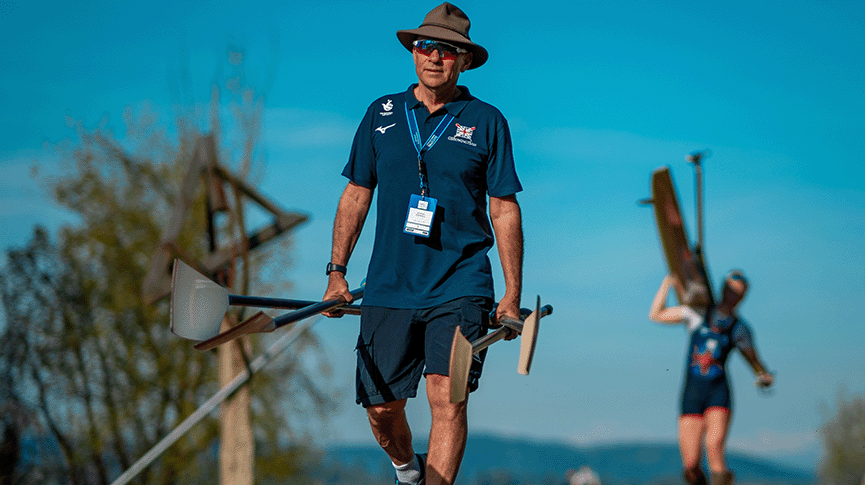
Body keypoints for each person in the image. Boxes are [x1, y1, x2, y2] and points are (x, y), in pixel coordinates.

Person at [321, 3, 524, 485]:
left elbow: (504, 208)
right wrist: (336, 272)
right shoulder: (382, 113)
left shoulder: (487, 120)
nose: (433, 56)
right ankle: (407, 469)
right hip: (388, 284)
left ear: (465, 60)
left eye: (447, 50)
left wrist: (512, 292)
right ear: (413, 52)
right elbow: (355, 194)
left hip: (461, 283)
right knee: (381, 411)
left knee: (447, 395)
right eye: (424, 45)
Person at [648, 270, 774, 485]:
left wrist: (763, 375)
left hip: (718, 392)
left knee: (714, 447)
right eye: (730, 290)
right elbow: (656, 314)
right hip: (692, 393)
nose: (732, 296)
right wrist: (668, 283)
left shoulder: (739, 328)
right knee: (691, 465)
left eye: (738, 293)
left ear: (743, 297)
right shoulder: (698, 314)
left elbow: (754, 360)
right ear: (722, 288)